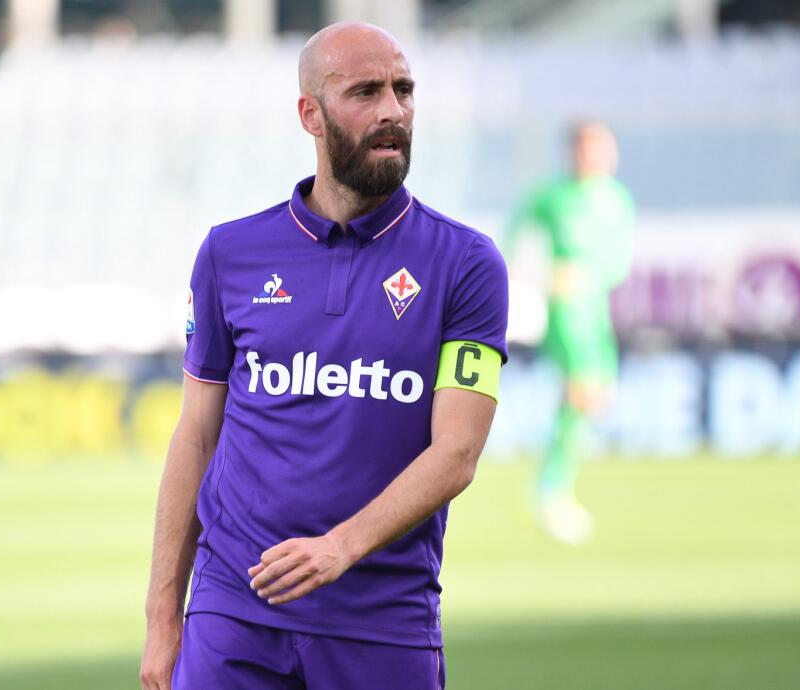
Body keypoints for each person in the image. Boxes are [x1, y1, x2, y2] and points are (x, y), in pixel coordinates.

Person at [141, 21, 509, 690]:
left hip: (382, 622)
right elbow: (195, 436)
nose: (393, 111)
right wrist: (164, 615)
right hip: (232, 614)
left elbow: (456, 454)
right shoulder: (230, 254)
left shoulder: (466, 264)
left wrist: (339, 548)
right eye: (365, 92)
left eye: (404, 90)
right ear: (310, 113)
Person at [503, 122, 635, 545]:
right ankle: (551, 493)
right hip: (565, 313)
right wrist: (533, 277)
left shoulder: (616, 200)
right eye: (586, 149)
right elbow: (513, 238)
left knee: (593, 400)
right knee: (580, 393)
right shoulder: (552, 197)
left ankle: (554, 489)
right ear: (573, 154)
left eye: (601, 148)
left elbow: (619, 262)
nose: (595, 157)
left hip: (595, 310)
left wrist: (590, 276)